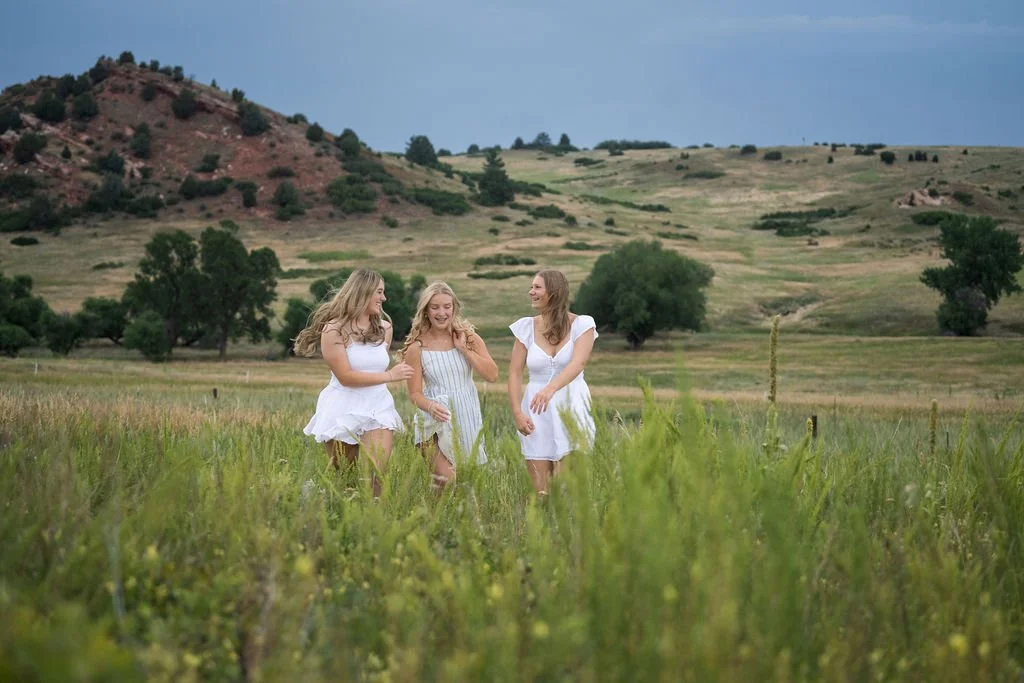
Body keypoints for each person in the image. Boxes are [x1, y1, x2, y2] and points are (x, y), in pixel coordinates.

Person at [295, 268, 414, 497]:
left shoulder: (385, 329)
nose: (384, 298)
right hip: (342, 407)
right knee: (345, 478)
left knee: (375, 476)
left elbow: (374, 364)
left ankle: (375, 523)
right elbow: (346, 376)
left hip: (378, 407)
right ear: (363, 292)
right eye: (379, 292)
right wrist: (390, 376)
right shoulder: (333, 330)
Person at [507, 269, 598, 495]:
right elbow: (515, 373)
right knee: (541, 493)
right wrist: (518, 412)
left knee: (567, 490)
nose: (531, 292)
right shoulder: (525, 328)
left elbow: (578, 363)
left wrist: (551, 389)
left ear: (554, 292)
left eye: (537, 287)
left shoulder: (582, 325)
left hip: (572, 407)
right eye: (531, 287)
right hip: (535, 412)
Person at [402, 282, 498, 490]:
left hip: (466, 417)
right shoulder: (416, 348)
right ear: (426, 311)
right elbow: (415, 394)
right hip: (433, 422)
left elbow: (492, 375)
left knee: (462, 488)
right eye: (435, 307)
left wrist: (463, 349)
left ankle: (438, 522)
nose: (442, 312)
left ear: (454, 308)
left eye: (447, 306)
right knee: (447, 481)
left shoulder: (469, 338)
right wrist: (430, 406)